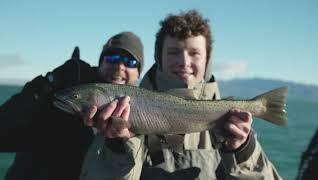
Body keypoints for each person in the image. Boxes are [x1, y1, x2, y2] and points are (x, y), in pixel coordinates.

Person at [80, 9, 283, 180]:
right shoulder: (125, 111)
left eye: (194, 53)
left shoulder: (236, 124)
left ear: (208, 61)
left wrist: (242, 151)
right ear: (158, 58)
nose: (184, 62)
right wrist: (118, 145)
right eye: (174, 52)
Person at [0, 31, 144, 180]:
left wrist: (120, 143)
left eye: (130, 62)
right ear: (101, 62)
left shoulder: (145, 115)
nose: (120, 66)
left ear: (139, 73)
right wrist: (44, 85)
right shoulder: (66, 89)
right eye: (112, 57)